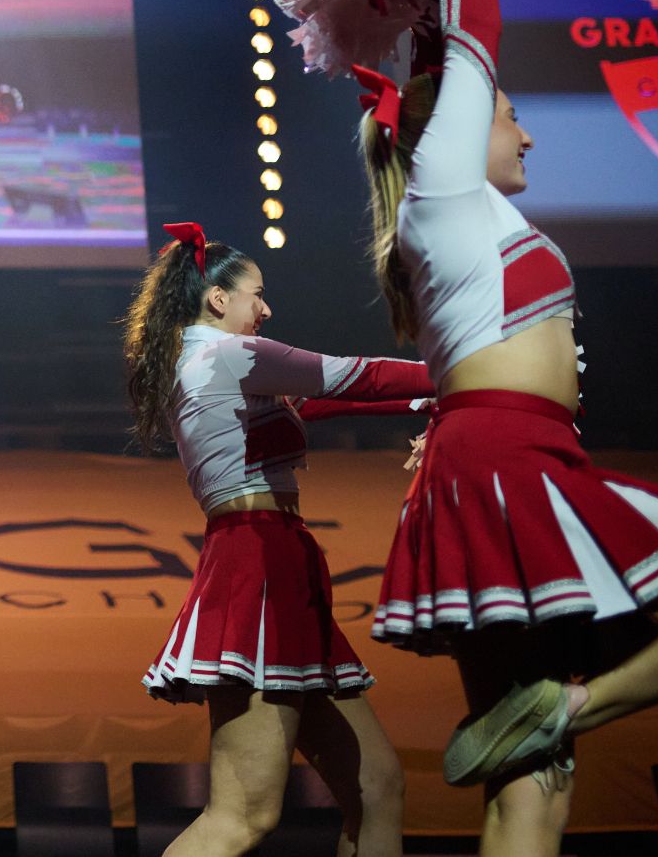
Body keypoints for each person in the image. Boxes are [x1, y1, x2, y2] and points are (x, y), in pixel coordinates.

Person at [359, 0, 658, 855]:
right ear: (456, 130)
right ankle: (573, 703)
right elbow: (474, 32)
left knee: (533, 787)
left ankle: (550, 716)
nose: (527, 127)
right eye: (510, 111)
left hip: (501, 467)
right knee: (546, 750)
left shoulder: (459, 215)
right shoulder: (444, 199)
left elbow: (446, 50)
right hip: (511, 469)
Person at [125, 222, 433, 857]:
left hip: (280, 559)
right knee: (242, 817)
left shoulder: (210, 361)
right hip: (255, 562)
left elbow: (327, 403)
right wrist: (472, 374)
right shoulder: (221, 353)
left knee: (377, 790)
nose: (265, 309)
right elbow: (354, 377)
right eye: (256, 295)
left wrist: (438, 401)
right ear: (218, 299)